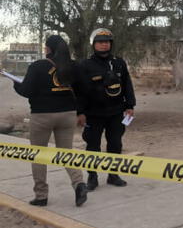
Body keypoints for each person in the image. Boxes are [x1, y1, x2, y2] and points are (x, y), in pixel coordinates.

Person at [8, 35, 88, 207]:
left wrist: (15, 83)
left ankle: (41, 195)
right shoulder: (73, 66)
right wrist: (80, 112)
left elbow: (27, 91)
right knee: (66, 153)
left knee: (38, 155)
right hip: (67, 115)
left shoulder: (38, 66)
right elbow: (82, 90)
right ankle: (79, 183)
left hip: (42, 115)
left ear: (48, 49)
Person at [80, 28, 136, 191]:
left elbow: (127, 85)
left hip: (116, 112)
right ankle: (92, 177)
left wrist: (130, 105)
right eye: (100, 42)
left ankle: (113, 175)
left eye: (107, 42)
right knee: (92, 146)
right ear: (94, 44)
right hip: (93, 114)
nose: (104, 45)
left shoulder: (119, 62)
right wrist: (80, 112)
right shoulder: (85, 65)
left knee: (115, 144)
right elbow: (80, 91)